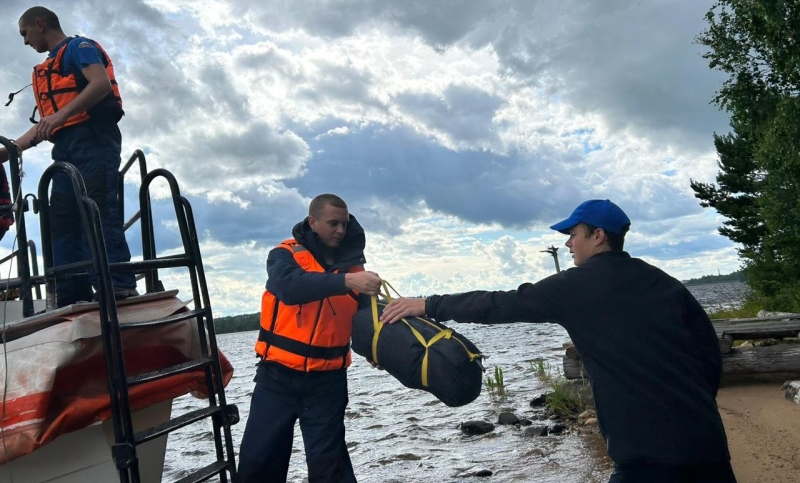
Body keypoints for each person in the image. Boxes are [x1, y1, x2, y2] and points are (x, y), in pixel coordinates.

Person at [381, 199, 736, 483]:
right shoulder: (665, 282)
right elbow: (707, 353)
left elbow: (499, 304)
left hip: (645, 452)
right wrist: (696, 403)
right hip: (705, 441)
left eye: (573, 233)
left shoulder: (575, 285)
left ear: (598, 236)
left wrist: (429, 304)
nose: (568, 242)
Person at [237, 193, 383, 483]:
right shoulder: (284, 255)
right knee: (259, 462)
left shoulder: (356, 272)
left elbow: (369, 322)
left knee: (330, 469)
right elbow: (288, 288)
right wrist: (345, 282)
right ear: (313, 222)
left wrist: (380, 351)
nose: (340, 230)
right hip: (276, 379)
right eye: (333, 223)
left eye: (344, 224)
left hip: (327, 384)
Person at [1, 6, 136, 306]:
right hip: (64, 153)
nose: (25, 41)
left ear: (40, 24)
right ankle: (69, 292)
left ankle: (116, 285)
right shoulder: (47, 68)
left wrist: (61, 116)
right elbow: (44, 128)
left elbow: (100, 84)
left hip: (94, 142)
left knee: (97, 211)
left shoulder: (78, 48)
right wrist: (7, 152)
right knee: (60, 220)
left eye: (25, 33)